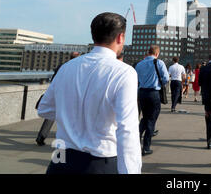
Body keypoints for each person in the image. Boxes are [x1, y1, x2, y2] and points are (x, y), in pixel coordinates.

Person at [38, 12, 141, 174]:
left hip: (61, 160)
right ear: (120, 37)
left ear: (93, 35)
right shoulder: (124, 73)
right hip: (100, 162)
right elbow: (127, 130)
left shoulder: (67, 67)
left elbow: (44, 109)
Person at [35, 51, 80, 146]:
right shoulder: (79, 68)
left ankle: (41, 137)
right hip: (70, 95)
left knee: (50, 116)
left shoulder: (62, 66)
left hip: (58, 93)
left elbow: (54, 81)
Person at [135, 45, 169, 156]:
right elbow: (166, 78)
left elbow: (136, 79)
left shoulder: (139, 64)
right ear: (157, 53)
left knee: (145, 117)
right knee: (151, 119)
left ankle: (136, 140)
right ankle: (146, 147)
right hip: (153, 93)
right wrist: (159, 83)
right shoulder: (159, 63)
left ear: (148, 52)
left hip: (142, 93)